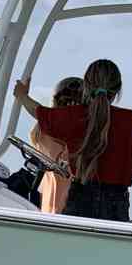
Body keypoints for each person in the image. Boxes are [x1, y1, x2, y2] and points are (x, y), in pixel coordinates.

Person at [13, 58, 132, 222]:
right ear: (118, 89)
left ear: (87, 86)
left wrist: (21, 94)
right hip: (115, 206)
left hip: (79, 201)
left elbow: (40, 113)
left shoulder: (75, 116)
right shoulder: (130, 120)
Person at [31, 76, 83, 215]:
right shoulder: (82, 137)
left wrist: (22, 95)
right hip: (64, 209)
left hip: (51, 208)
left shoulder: (40, 133)